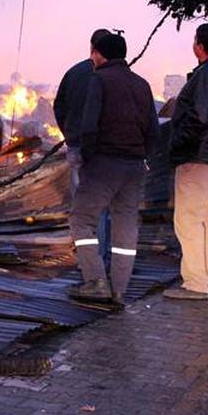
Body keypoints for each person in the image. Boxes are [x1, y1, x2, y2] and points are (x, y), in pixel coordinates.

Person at [68, 33, 159, 306]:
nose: (91, 58)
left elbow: (89, 126)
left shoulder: (99, 80)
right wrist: (143, 156)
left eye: (93, 53)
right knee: (126, 226)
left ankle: (95, 281)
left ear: (98, 54)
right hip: (133, 166)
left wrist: (88, 159)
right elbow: (153, 130)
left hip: (104, 164)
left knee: (81, 219)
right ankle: (119, 288)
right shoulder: (141, 84)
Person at [163, 24, 208, 300]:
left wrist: (178, 146)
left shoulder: (207, 75)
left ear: (200, 46)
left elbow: (198, 118)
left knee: (189, 221)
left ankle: (195, 283)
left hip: (199, 158)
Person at [54, 28, 112, 195]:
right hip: (103, 147)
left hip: (76, 144)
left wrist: (69, 132)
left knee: (80, 199)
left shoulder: (73, 73)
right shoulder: (110, 75)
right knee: (103, 198)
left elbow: (59, 106)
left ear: (91, 47)